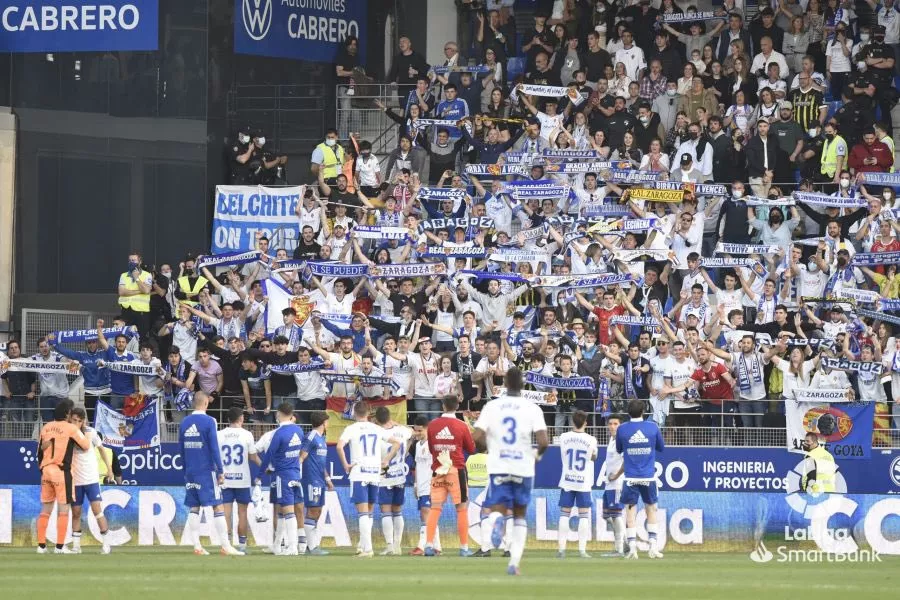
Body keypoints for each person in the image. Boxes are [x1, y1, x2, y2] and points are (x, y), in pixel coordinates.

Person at [474, 368, 549, 575]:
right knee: (519, 516)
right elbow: (543, 442)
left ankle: (496, 521)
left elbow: (476, 436)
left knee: (496, 508)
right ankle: (514, 563)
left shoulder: (492, 406)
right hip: (523, 467)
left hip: (499, 465)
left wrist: (488, 448)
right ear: (523, 385)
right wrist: (536, 456)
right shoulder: (532, 408)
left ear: (505, 384)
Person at [178, 391, 244, 556]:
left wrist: (186, 470)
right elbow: (214, 447)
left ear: (194, 403)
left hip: (190, 471)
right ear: (206, 403)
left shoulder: (184, 422)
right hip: (206, 470)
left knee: (194, 507)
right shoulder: (209, 421)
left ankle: (197, 546)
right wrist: (220, 470)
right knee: (217, 505)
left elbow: (181, 449)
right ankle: (225, 546)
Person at [337, 401, 401, 558]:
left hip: (359, 472)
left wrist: (345, 464)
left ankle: (368, 549)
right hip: (374, 473)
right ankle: (362, 545)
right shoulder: (377, 428)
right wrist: (386, 459)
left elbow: (339, 446)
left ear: (354, 413)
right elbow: (396, 443)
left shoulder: (351, 429)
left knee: (362, 512)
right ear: (369, 413)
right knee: (369, 511)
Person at [424, 395, 476, 557]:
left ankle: (428, 545)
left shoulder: (432, 425)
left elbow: (431, 448)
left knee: (435, 508)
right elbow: (471, 449)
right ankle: (464, 547)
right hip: (456, 469)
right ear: (457, 406)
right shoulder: (461, 425)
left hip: (438, 469)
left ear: (443, 406)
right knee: (461, 509)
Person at [35, 400, 90, 554]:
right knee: (64, 510)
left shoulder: (46, 427)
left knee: (45, 510)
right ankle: (59, 547)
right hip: (62, 472)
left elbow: (39, 452)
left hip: (46, 471)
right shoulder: (70, 428)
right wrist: (83, 430)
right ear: (67, 413)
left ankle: (41, 546)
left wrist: (43, 468)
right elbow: (86, 445)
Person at [615, 398, 665, 560]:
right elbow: (661, 447)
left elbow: (619, 449)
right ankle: (653, 548)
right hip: (648, 477)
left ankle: (632, 549)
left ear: (628, 412)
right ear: (643, 411)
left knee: (630, 513)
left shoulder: (622, 429)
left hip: (630, 478)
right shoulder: (652, 427)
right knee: (651, 510)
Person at [258, 402, 307, 556]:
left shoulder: (279, 433)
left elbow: (268, 456)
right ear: (292, 414)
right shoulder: (299, 430)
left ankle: (292, 547)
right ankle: (277, 545)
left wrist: (259, 475)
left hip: (282, 475)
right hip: (295, 474)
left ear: (278, 414)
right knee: (281, 510)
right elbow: (302, 449)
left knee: (287, 511)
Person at [67, 407, 114, 554]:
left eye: (79, 421)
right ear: (70, 419)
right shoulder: (67, 434)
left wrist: (109, 469)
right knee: (76, 512)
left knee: (97, 510)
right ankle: (76, 546)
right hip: (75, 480)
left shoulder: (90, 432)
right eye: (74, 420)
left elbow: (101, 449)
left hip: (91, 479)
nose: (76, 423)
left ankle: (106, 544)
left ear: (83, 422)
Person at [217, 406, 260, 554]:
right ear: (241, 418)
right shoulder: (247, 435)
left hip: (225, 479)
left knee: (226, 513)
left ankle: (226, 545)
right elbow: (253, 457)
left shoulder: (219, 435)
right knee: (242, 513)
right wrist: (265, 467)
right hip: (242, 480)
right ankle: (242, 546)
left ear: (228, 419)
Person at [556, 409, 598, 559]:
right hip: (583, 481)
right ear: (586, 423)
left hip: (567, 479)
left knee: (564, 514)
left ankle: (561, 549)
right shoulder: (591, 439)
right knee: (584, 515)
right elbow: (594, 457)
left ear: (572, 421)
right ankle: (582, 550)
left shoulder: (563, 437)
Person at [373, 406, 412, 555]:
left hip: (385, 475)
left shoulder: (378, 434)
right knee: (397, 510)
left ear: (377, 419)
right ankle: (397, 545)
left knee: (386, 511)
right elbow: (412, 432)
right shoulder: (402, 430)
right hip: (400, 475)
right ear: (389, 416)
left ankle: (389, 545)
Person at [298, 410, 333, 556]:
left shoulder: (321, 439)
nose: (328, 424)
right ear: (323, 422)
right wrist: (296, 475)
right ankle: (312, 547)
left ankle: (310, 545)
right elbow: (301, 457)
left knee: (317, 511)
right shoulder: (311, 437)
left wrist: (327, 478)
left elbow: (320, 462)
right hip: (311, 480)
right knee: (313, 510)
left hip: (319, 480)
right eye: (327, 421)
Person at [409, 415, 442, 556]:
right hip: (421, 485)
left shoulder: (434, 445)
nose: (417, 433)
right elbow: (417, 465)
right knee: (428, 514)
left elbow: (441, 464)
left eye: (420, 431)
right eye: (415, 430)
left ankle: (422, 546)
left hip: (431, 484)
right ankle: (437, 546)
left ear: (427, 429)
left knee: (425, 512)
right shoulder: (417, 445)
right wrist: (416, 484)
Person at [598, 414, 626, 557]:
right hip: (609, 484)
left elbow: (626, 461)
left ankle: (619, 548)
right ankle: (624, 541)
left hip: (617, 484)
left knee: (616, 515)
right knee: (606, 514)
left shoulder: (622, 441)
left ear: (620, 426)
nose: (612, 426)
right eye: (610, 424)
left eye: (615, 424)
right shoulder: (611, 439)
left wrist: (616, 475)